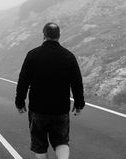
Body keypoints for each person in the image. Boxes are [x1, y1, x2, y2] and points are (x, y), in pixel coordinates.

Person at [15, 22, 85, 159]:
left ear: (44, 36)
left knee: (40, 144)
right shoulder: (68, 56)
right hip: (60, 109)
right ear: (59, 36)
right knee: (62, 141)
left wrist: (20, 102)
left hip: (38, 109)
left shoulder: (32, 55)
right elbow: (77, 82)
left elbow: (23, 81)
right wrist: (79, 104)